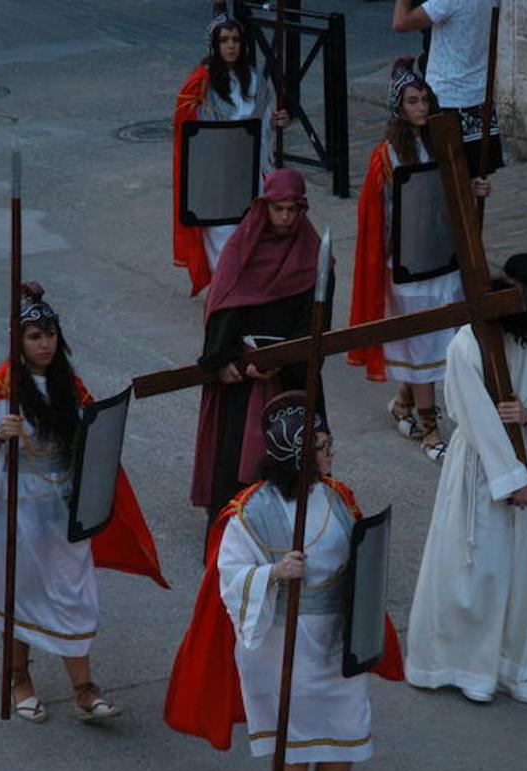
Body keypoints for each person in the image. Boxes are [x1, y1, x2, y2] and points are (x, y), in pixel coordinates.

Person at [163, 391, 405, 771]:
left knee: (348, 730)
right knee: (294, 743)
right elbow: (230, 575)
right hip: (280, 640)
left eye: (328, 442)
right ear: (294, 453)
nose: (330, 452)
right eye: (319, 445)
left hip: (336, 638)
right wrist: (273, 572)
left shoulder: (337, 496)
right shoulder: (252, 511)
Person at [0, 284, 168, 724]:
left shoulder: (70, 386)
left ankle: (84, 688)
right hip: (16, 511)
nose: (44, 343)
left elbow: (93, 449)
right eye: (34, 335)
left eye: (49, 334)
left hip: (63, 509)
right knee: (21, 596)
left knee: (74, 594)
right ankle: (19, 678)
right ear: (18, 341)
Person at [405, 254, 527, 704]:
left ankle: (515, 663)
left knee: (525, 565)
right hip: (479, 464)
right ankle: (466, 665)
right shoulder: (470, 342)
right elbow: (477, 415)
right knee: (479, 567)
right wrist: (512, 479)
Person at [349, 57, 489, 462]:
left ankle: (404, 405)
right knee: (423, 346)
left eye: (425, 99)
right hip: (408, 267)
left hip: (442, 258)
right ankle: (430, 429)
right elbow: (380, 217)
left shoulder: (444, 142)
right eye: (413, 101)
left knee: (433, 343)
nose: (421, 107)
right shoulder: (387, 157)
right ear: (399, 107)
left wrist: (473, 190)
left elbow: (452, 195)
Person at [192, 168, 324, 527]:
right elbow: (223, 309)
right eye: (278, 209)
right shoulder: (241, 248)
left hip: (289, 375)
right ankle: (232, 543)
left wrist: (286, 358)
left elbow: (315, 320)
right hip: (242, 378)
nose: (284, 218)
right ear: (264, 207)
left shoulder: (312, 251)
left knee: (289, 462)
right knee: (236, 463)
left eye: (292, 210)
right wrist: (231, 360)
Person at [173, 1, 290, 297]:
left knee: (251, 231)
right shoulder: (201, 84)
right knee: (223, 233)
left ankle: (246, 289)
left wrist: (278, 120)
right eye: (224, 40)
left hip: (252, 169)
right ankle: (224, 292)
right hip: (218, 175)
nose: (231, 46)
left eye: (236, 40)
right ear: (214, 44)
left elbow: (266, 117)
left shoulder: (255, 78)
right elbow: (190, 129)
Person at [391, 0, 502, 178]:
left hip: (446, 100)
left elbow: (400, 22)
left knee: (440, 182)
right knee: (468, 185)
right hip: (478, 98)